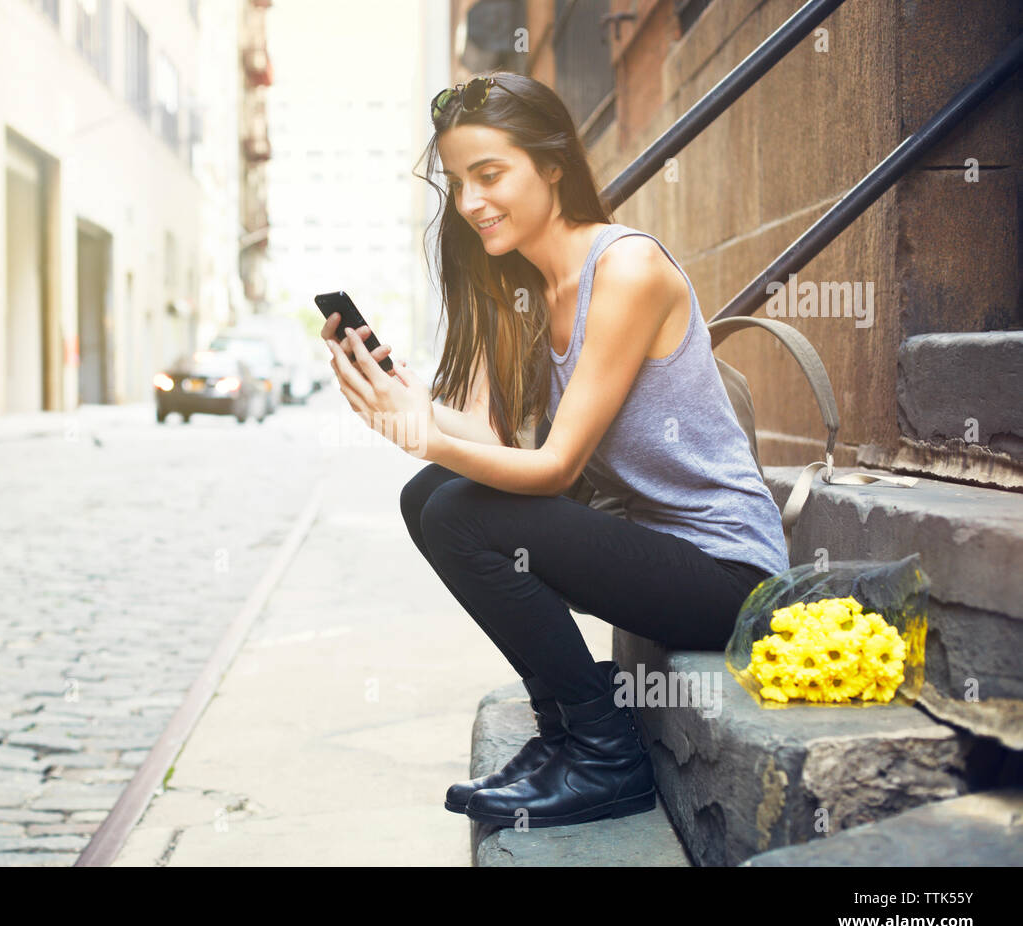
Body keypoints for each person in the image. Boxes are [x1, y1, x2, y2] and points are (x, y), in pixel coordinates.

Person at [320, 72, 789, 831]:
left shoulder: (627, 269)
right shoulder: (522, 288)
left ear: (554, 166)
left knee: (461, 511)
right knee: (429, 495)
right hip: (650, 551)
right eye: (458, 182)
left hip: (729, 575)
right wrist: (403, 397)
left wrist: (421, 430)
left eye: (491, 174)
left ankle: (608, 757)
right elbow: (488, 442)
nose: (471, 203)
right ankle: (566, 733)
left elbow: (555, 468)